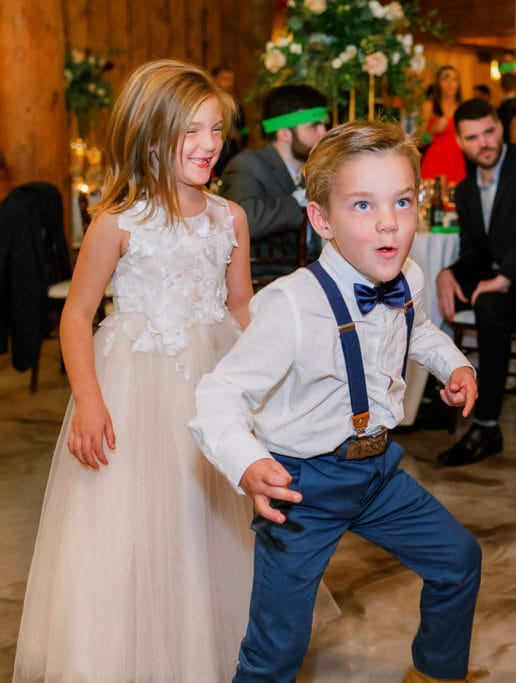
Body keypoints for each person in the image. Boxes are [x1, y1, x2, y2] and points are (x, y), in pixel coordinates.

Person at [189, 119, 485, 682]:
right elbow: (221, 392)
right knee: (278, 646)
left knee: (458, 562)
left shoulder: (410, 277)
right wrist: (247, 461)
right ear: (321, 218)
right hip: (302, 484)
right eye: (362, 205)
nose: (388, 222)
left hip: (378, 471)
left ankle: (436, 674)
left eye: (402, 201)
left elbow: (418, 330)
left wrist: (456, 365)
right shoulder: (293, 305)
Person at [13, 59, 255, 681]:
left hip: (213, 384)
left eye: (216, 131)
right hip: (135, 388)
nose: (207, 146)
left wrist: (264, 385)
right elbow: (76, 317)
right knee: (134, 524)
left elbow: (240, 306)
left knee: (210, 524)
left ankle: (210, 652)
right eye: (190, 132)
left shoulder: (230, 218)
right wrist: (90, 402)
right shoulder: (117, 223)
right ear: (150, 137)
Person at [435, 98, 516, 466]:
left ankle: (486, 425)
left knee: (488, 303)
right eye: (473, 137)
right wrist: (448, 273)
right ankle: (431, 400)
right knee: (425, 291)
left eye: (489, 132)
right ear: (460, 142)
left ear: (500, 128)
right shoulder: (465, 190)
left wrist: (505, 277)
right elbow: (474, 252)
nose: (484, 143)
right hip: (499, 287)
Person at [219, 84, 330, 276]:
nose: (324, 133)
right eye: (314, 126)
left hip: (308, 275)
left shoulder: (312, 173)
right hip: (264, 280)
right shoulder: (247, 164)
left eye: (324, 124)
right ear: (285, 133)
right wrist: (296, 203)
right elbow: (242, 221)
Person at [420, 65, 467, 186]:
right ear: (438, 83)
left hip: (456, 161)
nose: (451, 83)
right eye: (446, 78)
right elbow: (420, 140)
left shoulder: (463, 108)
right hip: (434, 160)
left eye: (455, 79)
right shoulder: (429, 106)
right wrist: (432, 131)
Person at [211, 65, 249, 178]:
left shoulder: (237, 105)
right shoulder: (208, 104)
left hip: (233, 153)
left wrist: (241, 135)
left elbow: (245, 128)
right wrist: (226, 132)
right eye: (225, 79)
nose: (230, 84)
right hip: (215, 154)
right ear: (214, 80)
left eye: (231, 80)